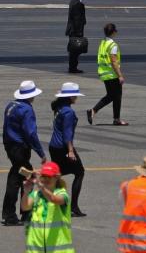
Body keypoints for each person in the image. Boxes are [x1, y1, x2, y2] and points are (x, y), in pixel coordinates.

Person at [1, 80, 47, 226]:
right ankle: (14, 214)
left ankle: (21, 212)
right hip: (20, 148)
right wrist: (41, 152)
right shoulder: (27, 109)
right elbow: (31, 133)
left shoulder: (11, 105)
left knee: (20, 176)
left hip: (10, 145)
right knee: (22, 178)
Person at [49, 82, 86, 217]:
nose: (76, 98)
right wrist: (70, 150)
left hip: (54, 146)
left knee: (58, 174)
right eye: (75, 95)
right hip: (63, 147)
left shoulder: (59, 107)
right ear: (70, 97)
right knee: (80, 172)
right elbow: (67, 133)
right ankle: (74, 206)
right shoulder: (68, 112)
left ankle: (51, 198)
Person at [21, 161, 74, 253]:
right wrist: (26, 192)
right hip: (36, 248)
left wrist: (41, 187)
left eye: (49, 177)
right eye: (43, 176)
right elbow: (25, 207)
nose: (45, 179)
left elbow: (54, 199)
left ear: (56, 178)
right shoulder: (36, 194)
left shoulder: (62, 194)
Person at [86, 22, 127, 126]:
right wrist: (120, 75)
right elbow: (113, 61)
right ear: (113, 32)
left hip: (104, 73)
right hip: (112, 74)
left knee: (111, 96)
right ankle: (115, 119)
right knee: (117, 96)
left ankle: (94, 111)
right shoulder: (113, 45)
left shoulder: (103, 43)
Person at [66, 0, 87, 74]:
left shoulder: (73, 1)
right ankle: (73, 68)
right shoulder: (78, 3)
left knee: (73, 50)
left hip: (72, 29)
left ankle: (72, 67)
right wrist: (79, 33)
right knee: (75, 50)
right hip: (75, 30)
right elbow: (77, 19)